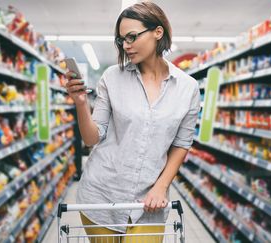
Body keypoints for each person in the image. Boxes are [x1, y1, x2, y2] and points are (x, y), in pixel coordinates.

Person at [65, 2, 200, 242]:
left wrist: (161, 186)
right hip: (101, 196)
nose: (126, 45)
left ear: (158, 32)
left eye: (132, 37)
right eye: (121, 40)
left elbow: (181, 143)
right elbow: (91, 138)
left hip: (149, 202)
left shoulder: (187, 87)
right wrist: (81, 103)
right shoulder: (112, 77)